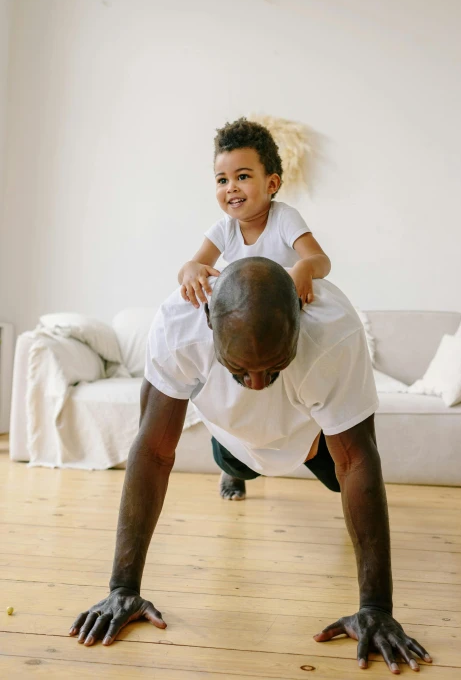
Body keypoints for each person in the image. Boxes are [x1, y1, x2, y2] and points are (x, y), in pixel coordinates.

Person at [69, 258, 432, 674]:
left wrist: (376, 608)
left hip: (309, 439)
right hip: (234, 436)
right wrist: (122, 588)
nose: (258, 384)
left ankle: (291, 449)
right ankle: (234, 467)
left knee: (342, 483)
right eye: (241, 369)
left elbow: (356, 461)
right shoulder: (177, 326)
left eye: (275, 366)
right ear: (207, 320)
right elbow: (152, 452)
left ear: (300, 312)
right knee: (239, 464)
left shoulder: (335, 332)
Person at [178, 118, 331, 309]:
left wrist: (304, 267)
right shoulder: (224, 229)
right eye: (222, 180)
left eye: (242, 177)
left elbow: (321, 260)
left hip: (284, 307)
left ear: (271, 184)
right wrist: (190, 269)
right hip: (244, 312)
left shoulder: (284, 218)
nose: (231, 188)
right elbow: (188, 270)